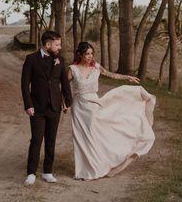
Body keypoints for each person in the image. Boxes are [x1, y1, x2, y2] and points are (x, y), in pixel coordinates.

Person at [67, 41, 156, 180]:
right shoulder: (72, 69)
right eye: (87, 54)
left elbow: (111, 75)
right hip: (79, 106)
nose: (90, 56)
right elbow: (63, 86)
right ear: (80, 54)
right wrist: (64, 103)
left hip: (94, 104)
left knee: (95, 136)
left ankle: (99, 165)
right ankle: (84, 171)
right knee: (81, 138)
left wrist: (127, 77)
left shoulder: (96, 67)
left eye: (91, 54)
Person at [21, 30, 72, 186]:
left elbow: (64, 82)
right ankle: (31, 173)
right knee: (36, 139)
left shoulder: (60, 60)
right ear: (47, 44)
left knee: (51, 140)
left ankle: (47, 171)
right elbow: (24, 85)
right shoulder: (31, 60)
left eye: (60, 44)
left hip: (55, 106)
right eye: (57, 44)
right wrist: (28, 105)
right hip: (37, 107)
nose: (60, 47)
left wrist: (67, 102)